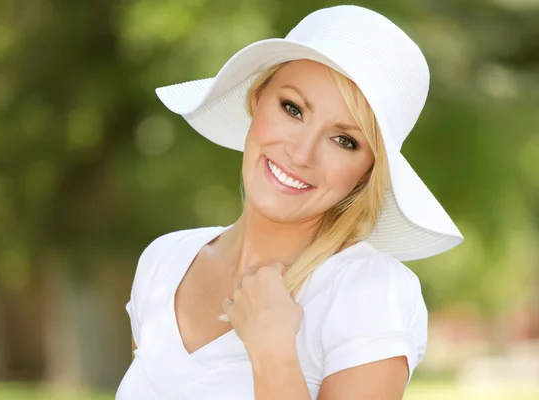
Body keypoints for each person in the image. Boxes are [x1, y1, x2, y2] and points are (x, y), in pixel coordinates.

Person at [116, 5, 463, 400]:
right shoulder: (164, 262)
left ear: (368, 171)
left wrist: (273, 352)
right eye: (293, 109)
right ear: (257, 99)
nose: (301, 153)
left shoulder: (366, 292)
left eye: (344, 140)